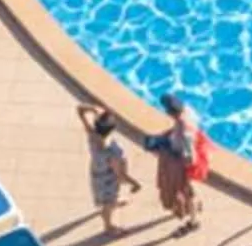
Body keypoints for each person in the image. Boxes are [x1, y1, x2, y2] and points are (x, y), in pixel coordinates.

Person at [144, 90, 207, 234]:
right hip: (183, 151)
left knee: (187, 192)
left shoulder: (185, 132)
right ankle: (196, 205)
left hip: (183, 162)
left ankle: (193, 222)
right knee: (190, 190)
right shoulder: (188, 111)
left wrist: (180, 168)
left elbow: (190, 157)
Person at [78, 103, 140, 232]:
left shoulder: (92, 135)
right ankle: (108, 225)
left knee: (104, 197)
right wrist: (135, 184)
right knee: (108, 203)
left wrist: (92, 109)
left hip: (96, 173)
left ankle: (112, 204)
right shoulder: (111, 152)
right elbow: (120, 175)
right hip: (108, 181)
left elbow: (79, 110)